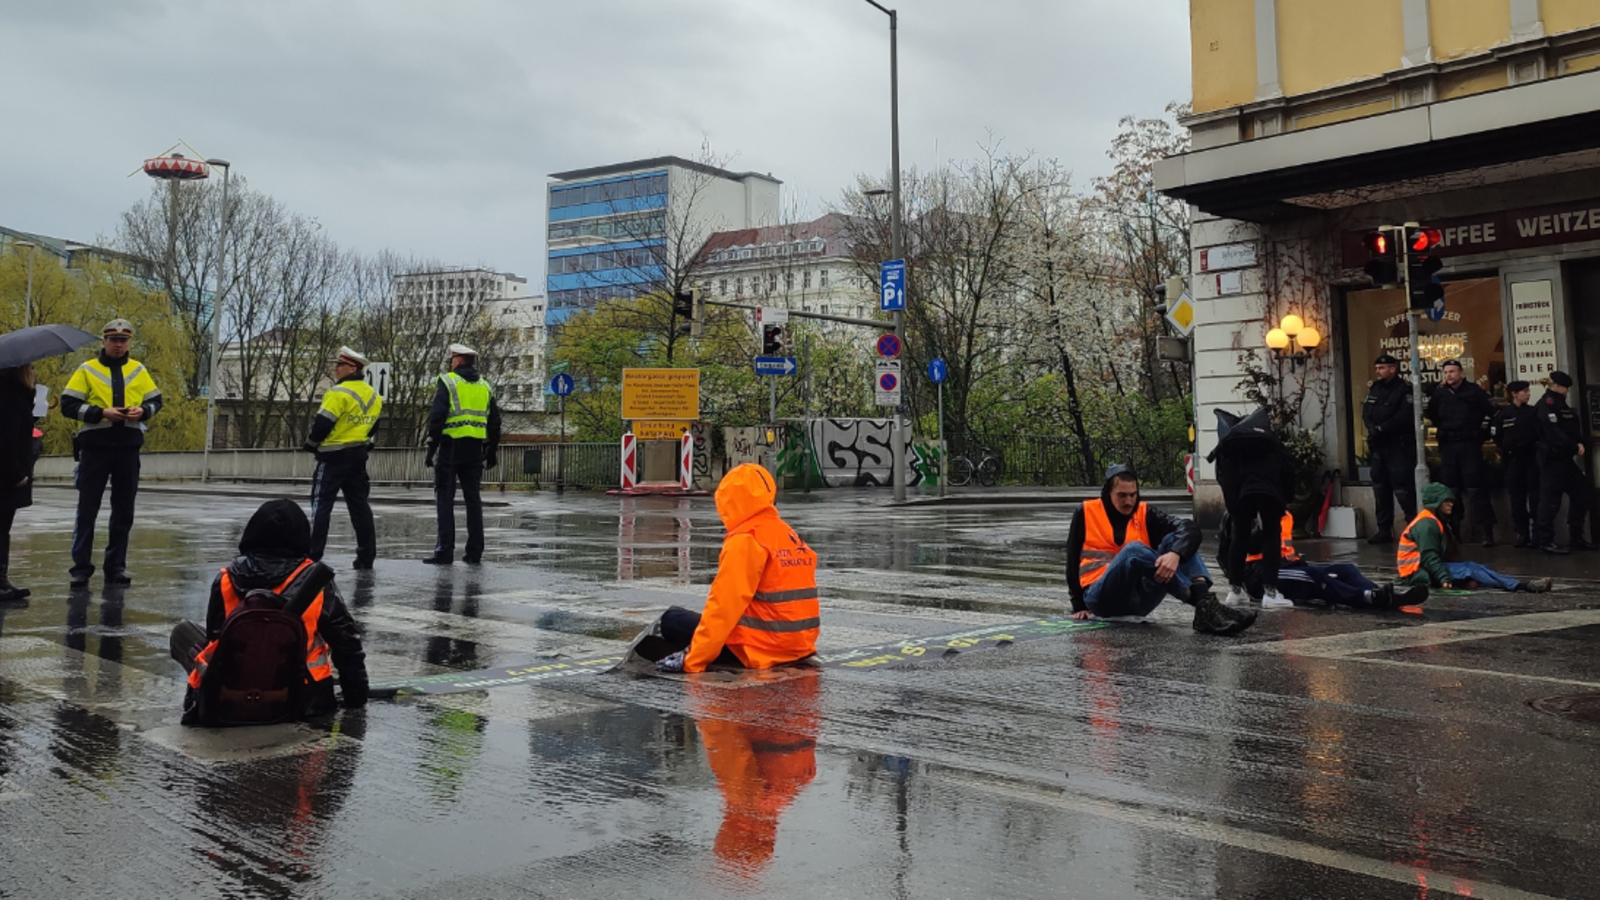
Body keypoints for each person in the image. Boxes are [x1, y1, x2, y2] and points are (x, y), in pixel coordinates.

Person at [169, 499, 368, 725]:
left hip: (230, 698)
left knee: (183, 632)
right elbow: (347, 644)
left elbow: (216, 643)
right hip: (305, 701)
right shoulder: (316, 581)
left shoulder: (225, 579)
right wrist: (356, 698)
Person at [653, 464, 821, 673]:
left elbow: (722, 608)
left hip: (761, 648)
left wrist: (692, 661)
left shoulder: (746, 539)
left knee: (672, 620)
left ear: (728, 501)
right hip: (798, 646)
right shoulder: (787, 534)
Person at [1067, 463, 1255, 635]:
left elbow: (1189, 529)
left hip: (1139, 601)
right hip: (1101, 598)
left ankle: (1205, 606)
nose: (1129, 501)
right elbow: (1072, 558)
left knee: (1177, 539)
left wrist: (1176, 554)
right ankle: (1204, 603)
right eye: (1122, 496)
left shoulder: (1145, 512)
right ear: (1108, 493)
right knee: (1134, 550)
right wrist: (1078, 606)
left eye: (1133, 495)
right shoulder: (1086, 512)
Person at [59, 319, 162, 587]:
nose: (118, 345)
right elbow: (68, 405)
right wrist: (100, 413)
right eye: (114, 340)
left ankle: (115, 566)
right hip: (96, 447)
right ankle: (81, 568)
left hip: (127, 446)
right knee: (87, 510)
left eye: (123, 340)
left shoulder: (138, 370)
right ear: (104, 341)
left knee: (123, 510)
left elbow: (155, 400)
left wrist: (144, 411)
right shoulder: (87, 369)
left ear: (129, 343)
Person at [1239, 511, 1427, 609]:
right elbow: (1247, 546)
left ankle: (1378, 592)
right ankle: (1366, 598)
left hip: (1288, 566)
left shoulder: (1284, 514)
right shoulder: (1251, 512)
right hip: (1262, 574)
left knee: (1346, 569)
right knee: (1316, 576)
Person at [302, 346, 383, 569]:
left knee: (321, 506)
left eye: (339, 365)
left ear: (352, 368)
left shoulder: (338, 393)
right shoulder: (373, 395)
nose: (335, 368)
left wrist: (310, 445)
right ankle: (366, 556)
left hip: (332, 456)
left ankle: (313, 556)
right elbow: (375, 425)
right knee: (359, 507)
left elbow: (323, 424)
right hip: (358, 456)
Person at [1209, 406, 1296, 607]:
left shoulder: (1230, 444)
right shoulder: (1267, 440)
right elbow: (1288, 466)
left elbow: (1222, 474)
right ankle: (1271, 593)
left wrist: (1231, 501)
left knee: (1239, 536)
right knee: (1271, 535)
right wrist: (1287, 496)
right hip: (1269, 491)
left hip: (1240, 493)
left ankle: (1235, 591)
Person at [423, 343, 501, 565]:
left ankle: (445, 551)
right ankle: (475, 551)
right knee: (473, 500)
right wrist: (492, 449)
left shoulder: (448, 381)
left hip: (450, 447)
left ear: (457, 360)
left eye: (452, 358)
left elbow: (437, 417)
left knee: (445, 498)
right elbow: (494, 421)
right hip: (475, 448)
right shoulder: (485, 386)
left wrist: (431, 447)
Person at [1399, 483, 1552, 593]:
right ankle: (1520, 586)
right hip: (1417, 572)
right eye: (1446, 501)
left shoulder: (1433, 521)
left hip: (1422, 570)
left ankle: (1512, 584)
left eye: (1451, 501)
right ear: (1436, 503)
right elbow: (1429, 556)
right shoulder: (1427, 524)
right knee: (1471, 568)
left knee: (1479, 568)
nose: (1451, 504)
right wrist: (1443, 578)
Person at [1426, 359, 1496, 545]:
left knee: (1476, 489)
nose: (1449, 375)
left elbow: (1492, 413)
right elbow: (1432, 415)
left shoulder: (1474, 392)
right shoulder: (1440, 394)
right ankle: (1453, 531)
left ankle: (1486, 531)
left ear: (1461, 373)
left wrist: (1482, 434)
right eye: (1446, 372)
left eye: (1452, 372)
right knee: (1451, 491)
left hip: (1469, 445)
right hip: (1449, 446)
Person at [1534, 371, 1591, 555]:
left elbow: (1572, 428)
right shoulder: (1547, 405)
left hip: (1565, 460)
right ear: (1557, 386)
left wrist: (1579, 441)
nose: (1566, 391)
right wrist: (1574, 446)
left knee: (1582, 492)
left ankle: (1576, 536)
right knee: (1550, 502)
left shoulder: (1562, 405)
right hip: (1552, 460)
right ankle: (1546, 540)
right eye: (1564, 387)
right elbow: (1553, 433)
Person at [1362, 353, 1417, 545]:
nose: (1378, 371)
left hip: (1398, 445)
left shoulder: (1404, 389)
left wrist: (1382, 428)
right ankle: (1383, 529)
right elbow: (1366, 411)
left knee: (1403, 488)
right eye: (1377, 368)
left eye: (1382, 368)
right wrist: (1372, 428)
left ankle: (1413, 527)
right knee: (1380, 488)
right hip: (1379, 446)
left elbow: (1404, 416)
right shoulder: (1376, 388)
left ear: (1392, 369)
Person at [0, 365, 36, 604]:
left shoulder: (14, 396)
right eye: (31, 367)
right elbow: (6, 440)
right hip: (6, 476)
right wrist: (16, 473)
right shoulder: (10, 397)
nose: (34, 371)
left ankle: (2, 579)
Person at [1490, 380, 1541, 549]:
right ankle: (1522, 533)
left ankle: (1538, 533)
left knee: (1535, 498)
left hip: (1531, 460)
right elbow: (1497, 436)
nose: (1528, 394)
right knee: (1517, 500)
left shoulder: (1533, 412)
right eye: (1524, 391)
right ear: (1514, 394)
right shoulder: (1503, 414)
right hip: (1513, 462)